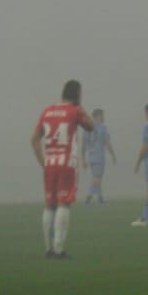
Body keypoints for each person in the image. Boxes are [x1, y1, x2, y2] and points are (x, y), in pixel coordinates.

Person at [31, 80, 94, 259]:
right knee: (64, 203)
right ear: (77, 94)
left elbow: (34, 139)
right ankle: (59, 249)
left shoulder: (47, 111)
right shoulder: (75, 110)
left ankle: (48, 248)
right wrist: (80, 108)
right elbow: (90, 126)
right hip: (67, 163)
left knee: (49, 205)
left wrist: (42, 160)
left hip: (50, 163)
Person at [83, 108, 118, 205]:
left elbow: (84, 143)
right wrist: (113, 155)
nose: (103, 117)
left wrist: (83, 159)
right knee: (97, 179)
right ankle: (88, 198)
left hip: (91, 156)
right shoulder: (102, 128)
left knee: (97, 178)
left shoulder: (87, 127)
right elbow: (107, 143)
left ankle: (100, 199)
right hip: (99, 156)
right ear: (98, 116)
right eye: (102, 115)